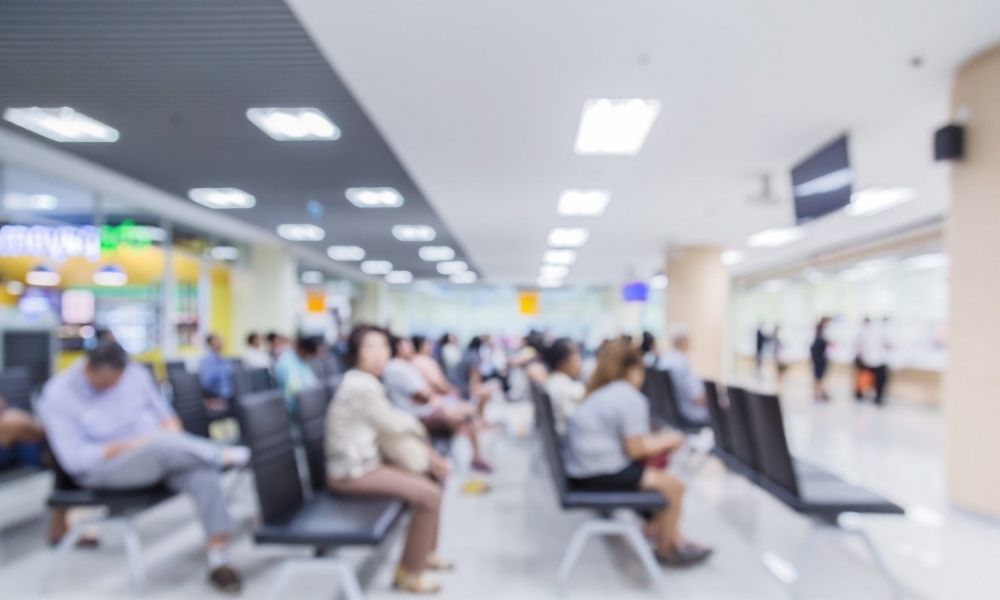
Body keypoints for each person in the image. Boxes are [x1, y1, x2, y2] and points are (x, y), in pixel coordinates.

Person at [37, 342, 249, 592]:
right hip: (105, 468)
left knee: (201, 473)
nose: (114, 387)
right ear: (89, 369)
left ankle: (219, 560)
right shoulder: (59, 394)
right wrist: (138, 444)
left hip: (161, 456)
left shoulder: (134, 375)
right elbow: (76, 460)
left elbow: (167, 417)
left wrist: (167, 436)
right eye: (107, 383)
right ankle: (219, 454)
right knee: (160, 445)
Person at [325, 325, 453, 593]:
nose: (379, 354)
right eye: (369, 347)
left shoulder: (366, 381)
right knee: (429, 494)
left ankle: (424, 553)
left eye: (383, 346)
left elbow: (393, 427)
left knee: (431, 480)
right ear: (354, 353)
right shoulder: (360, 386)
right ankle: (409, 573)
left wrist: (428, 456)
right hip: (352, 473)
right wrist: (429, 453)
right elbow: (395, 424)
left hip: (367, 462)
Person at [563, 339, 712, 566]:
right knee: (674, 486)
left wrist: (657, 442)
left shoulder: (601, 392)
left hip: (583, 468)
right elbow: (635, 450)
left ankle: (665, 534)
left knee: (660, 479)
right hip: (599, 473)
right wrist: (667, 441)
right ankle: (667, 549)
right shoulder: (629, 397)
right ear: (633, 369)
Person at [385, 335, 492, 473]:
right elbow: (426, 393)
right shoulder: (402, 366)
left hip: (423, 408)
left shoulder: (405, 365)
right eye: (406, 344)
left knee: (467, 412)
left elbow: (427, 391)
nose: (409, 347)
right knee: (467, 414)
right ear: (399, 347)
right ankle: (468, 458)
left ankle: (463, 456)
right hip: (419, 412)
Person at [656, 326, 709, 427]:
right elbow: (697, 398)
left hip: (672, 414)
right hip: (689, 414)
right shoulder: (680, 363)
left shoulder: (664, 360)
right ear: (682, 341)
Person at [543, 338, 586, 434]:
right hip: (571, 439)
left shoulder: (554, 382)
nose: (580, 360)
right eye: (576, 356)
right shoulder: (565, 388)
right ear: (562, 362)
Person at [273, 336, 320, 414]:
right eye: (309, 355)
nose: (309, 358)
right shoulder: (286, 363)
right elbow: (294, 391)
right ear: (302, 350)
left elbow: (313, 383)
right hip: (293, 409)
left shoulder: (302, 361)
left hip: (306, 403)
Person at [856, 317, 891, 405]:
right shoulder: (876, 332)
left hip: (872, 359)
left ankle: (862, 394)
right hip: (872, 360)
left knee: (871, 378)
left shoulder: (869, 331)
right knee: (873, 379)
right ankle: (872, 395)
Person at [198, 333, 233, 408]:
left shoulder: (224, 359)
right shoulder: (206, 360)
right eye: (217, 340)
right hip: (218, 396)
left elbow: (233, 375)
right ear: (209, 343)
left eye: (220, 340)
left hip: (231, 392)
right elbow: (206, 384)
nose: (220, 342)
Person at [811, 317, 831, 402]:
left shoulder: (819, 338)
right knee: (818, 377)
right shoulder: (819, 339)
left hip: (819, 360)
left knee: (818, 378)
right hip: (819, 360)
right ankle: (819, 393)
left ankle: (820, 393)